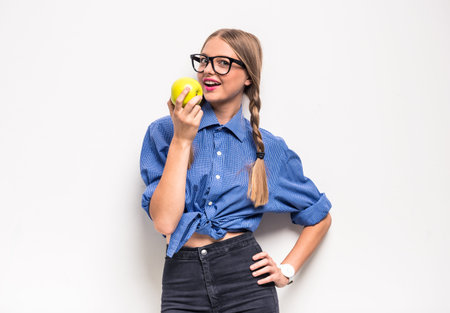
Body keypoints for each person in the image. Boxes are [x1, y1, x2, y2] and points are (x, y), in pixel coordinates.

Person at [139, 28, 332, 313]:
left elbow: (319, 217)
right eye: (204, 60)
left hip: (246, 281)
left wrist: (286, 271)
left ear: (248, 76)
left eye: (223, 62)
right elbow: (165, 223)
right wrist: (182, 139)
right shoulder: (164, 131)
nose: (208, 70)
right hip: (182, 281)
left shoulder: (267, 147)